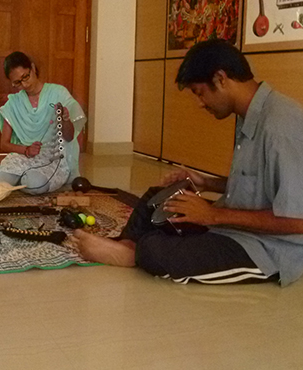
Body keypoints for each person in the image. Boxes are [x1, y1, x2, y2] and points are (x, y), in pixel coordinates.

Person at [71, 39, 303, 286]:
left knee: (156, 248)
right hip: (234, 227)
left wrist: (213, 215)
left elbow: (297, 220)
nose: (200, 103)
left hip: (269, 250)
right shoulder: (249, 114)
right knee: (159, 197)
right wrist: (206, 183)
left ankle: (134, 254)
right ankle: (129, 245)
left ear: (221, 78)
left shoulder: (281, 126)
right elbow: (260, 184)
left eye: (199, 92)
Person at [0, 51, 86, 195]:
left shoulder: (58, 93)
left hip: (52, 159)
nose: (24, 84)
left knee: (34, 185)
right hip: (24, 157)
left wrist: (65, 119)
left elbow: (69, 137)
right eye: (17, 83)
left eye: (25, 77)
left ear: (32, 68)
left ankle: (22, 179)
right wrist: (26, 150)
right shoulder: (14, 103)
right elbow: (4, 144)